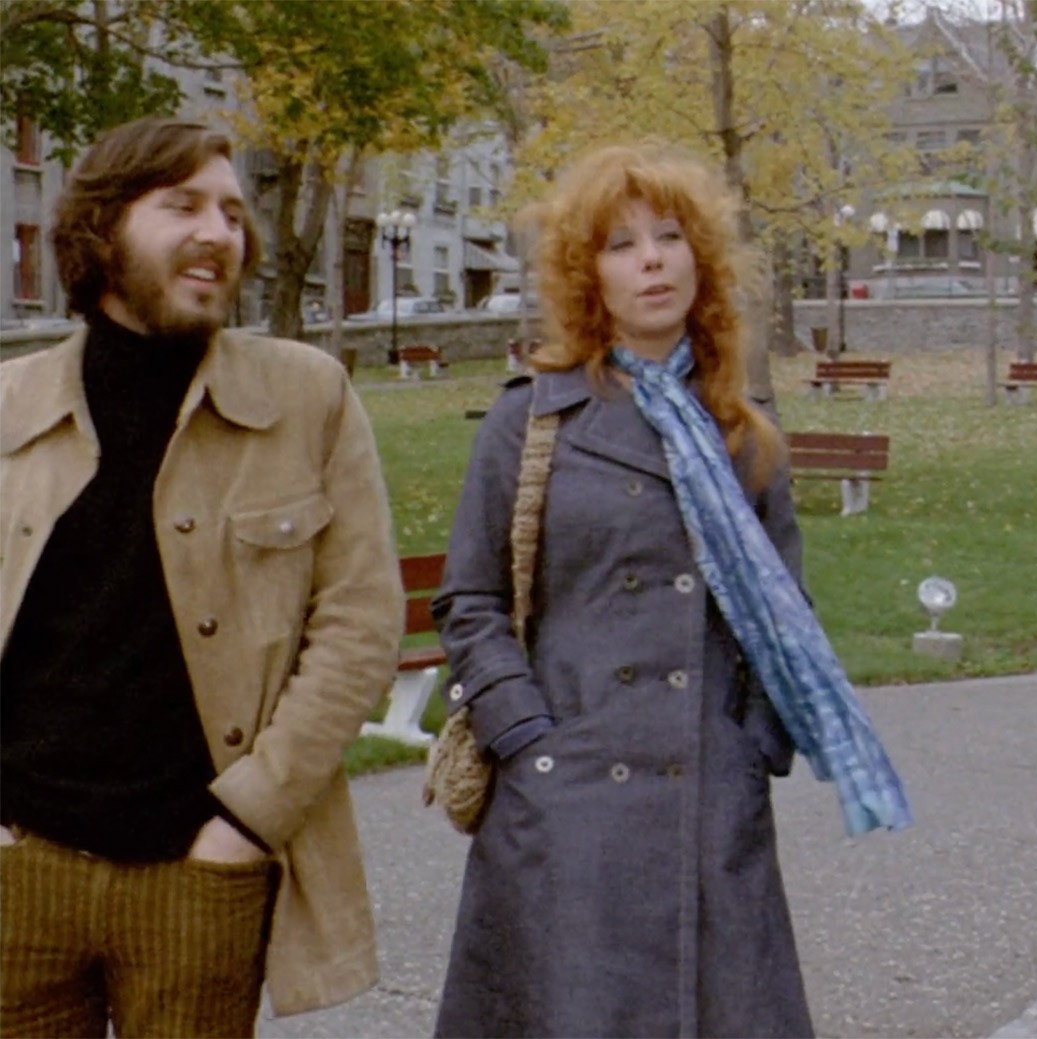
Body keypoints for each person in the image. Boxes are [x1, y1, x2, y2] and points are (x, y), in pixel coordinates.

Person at [432, 140, 911, 1039]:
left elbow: (786, 611)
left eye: (668, 237)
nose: (651, 260)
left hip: (705, 802)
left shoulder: (741, 434)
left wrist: (748, 747)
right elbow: (471, 600)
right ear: (589, 277)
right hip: (563, 805)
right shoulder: (529, 420)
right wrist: (525, 737)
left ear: (702, 259)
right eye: (621, 244)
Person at [0, 117, 404, 1035]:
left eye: (230, 212)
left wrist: (246, 823)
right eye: (182, 206)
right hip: (23, 867)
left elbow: (359, 624)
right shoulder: (11, 404)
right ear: (101, 229)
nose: (219, 233)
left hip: (200, 870)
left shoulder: (306, 397)